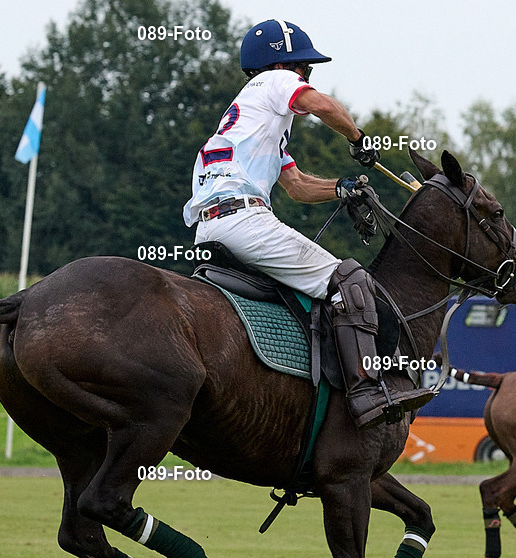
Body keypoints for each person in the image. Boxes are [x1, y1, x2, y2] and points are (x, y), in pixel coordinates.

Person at [182, 19, 433, 430]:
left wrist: (343, 188)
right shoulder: (275, 82)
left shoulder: (252, 121)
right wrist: (358, 139)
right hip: (244, 220)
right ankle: (367, 390)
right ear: (286, 65)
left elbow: (296, 186)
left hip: (212, 225)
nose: (307, 76)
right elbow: (325, 107)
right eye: (306, 69)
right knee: (350, 281)